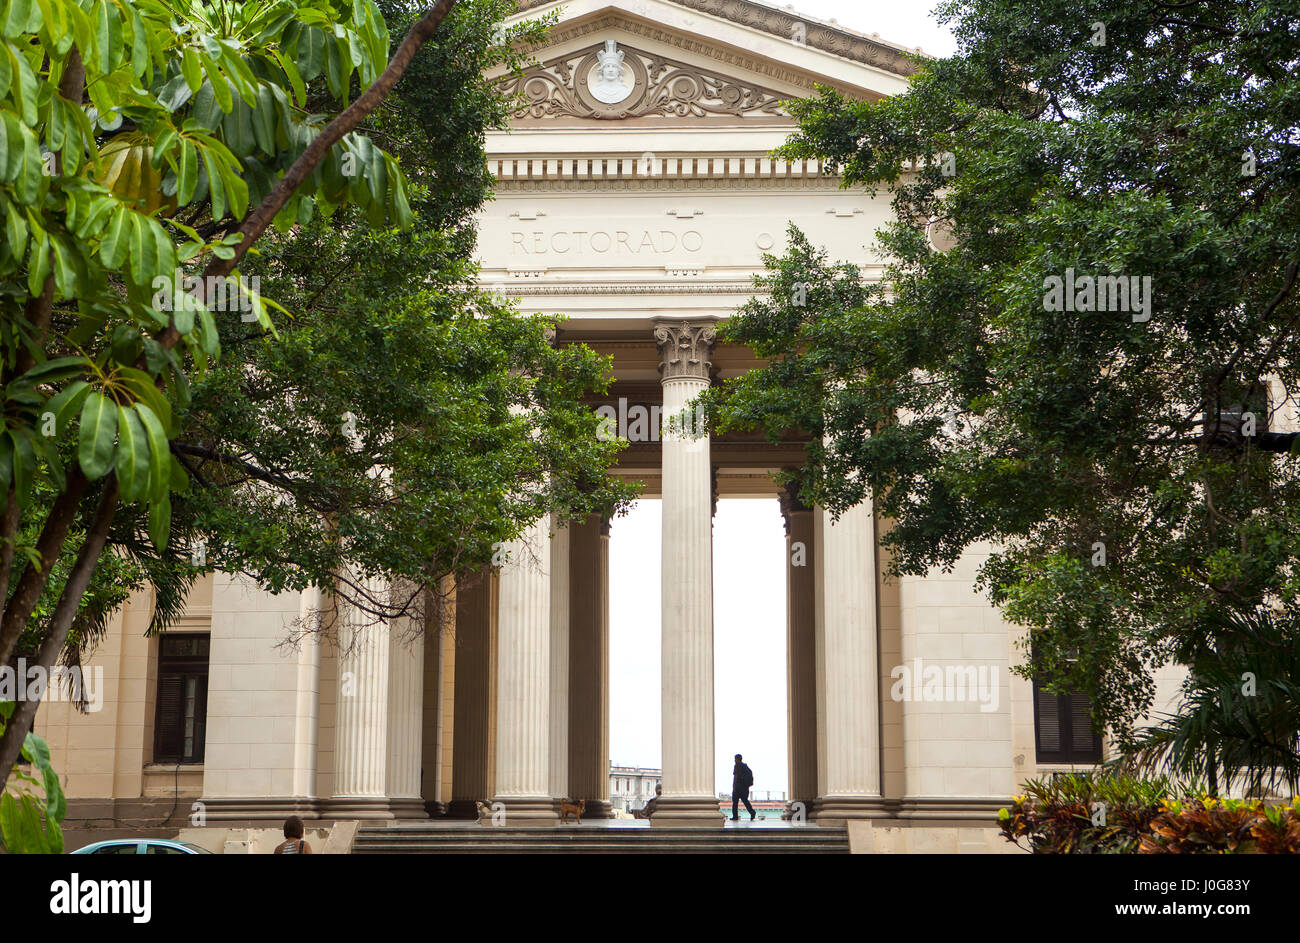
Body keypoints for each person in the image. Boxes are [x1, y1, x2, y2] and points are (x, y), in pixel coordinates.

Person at [731, 754, 755, 822]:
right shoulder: (745, 766)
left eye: (735, 759)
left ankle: (735, 816)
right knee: (745, 801)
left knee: (735, 802)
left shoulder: (737, 766)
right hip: (744, 787)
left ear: (737, 759)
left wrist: (734, 786)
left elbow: (735, 777)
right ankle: (752, 812)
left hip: (738, 787)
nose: (734, 760)